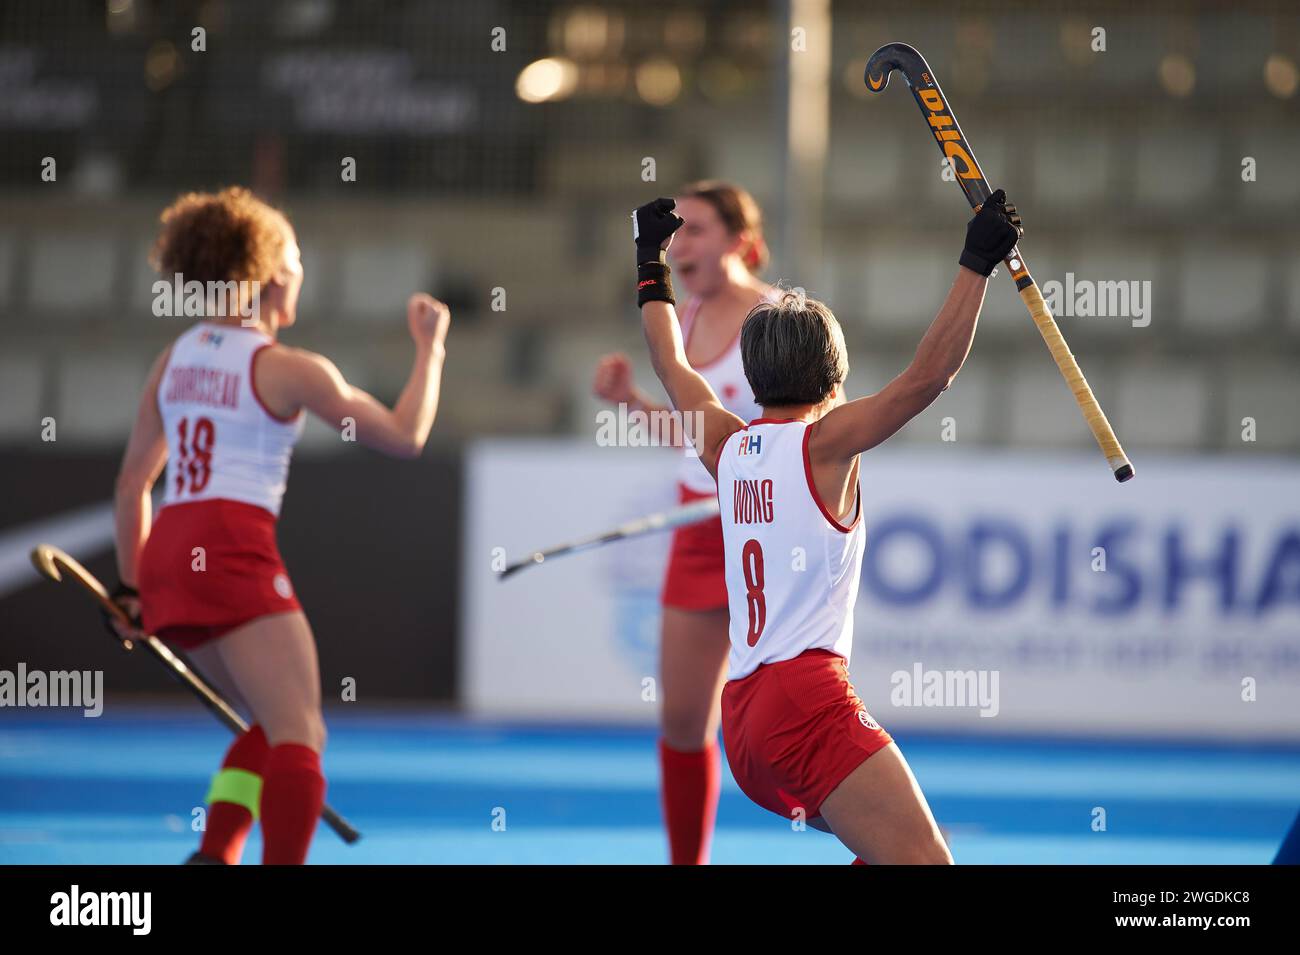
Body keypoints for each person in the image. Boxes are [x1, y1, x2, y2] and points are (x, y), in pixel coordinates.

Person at [629, 190, 1023, 863]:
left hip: (746, 722)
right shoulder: (826, 444)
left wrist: (646, 260)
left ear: (752, 375)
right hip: (805, 703)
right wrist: (976, 263)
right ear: (833, 378)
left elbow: (671, 362)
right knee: (928, 860)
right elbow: (930, 376)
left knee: (886, 847)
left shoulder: (724, 443)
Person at [108, 187, 451, 864]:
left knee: (271, 720)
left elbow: (131, 484)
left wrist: (130, 587)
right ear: (270, 271)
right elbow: (405, 435)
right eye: (294, 256)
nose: (301, 268)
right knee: (301, 730)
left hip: (170, 551)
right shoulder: (288, 368)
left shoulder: (173, 359)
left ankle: (216, 852)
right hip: (231, 544)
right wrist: (429, 348)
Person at [592, 181, 770, 865]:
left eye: (697, 230)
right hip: (699, 539)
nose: (682, 244)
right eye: (678, 232)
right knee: (682, 722)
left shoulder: (780, 314)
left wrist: (757, 486)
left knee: (787, 724)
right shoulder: (685, 316)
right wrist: (632, 398)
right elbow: (694, 431)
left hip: (764, 535)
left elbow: (814, 427)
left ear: (739, 240)